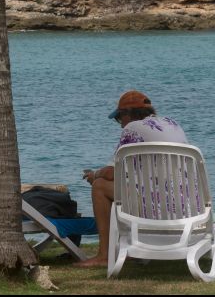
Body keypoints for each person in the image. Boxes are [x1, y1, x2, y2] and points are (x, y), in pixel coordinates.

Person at [76, 90, 189, 267]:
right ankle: (129, 247)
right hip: (186, 209)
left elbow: (112, 172)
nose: (121, 125)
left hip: (156, 210)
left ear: (127, 114)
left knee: (99, 186)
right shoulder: (172, 124)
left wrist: (95, 174)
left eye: (119, 119)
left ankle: (105, 255)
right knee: (125, 187)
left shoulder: (133, 129)